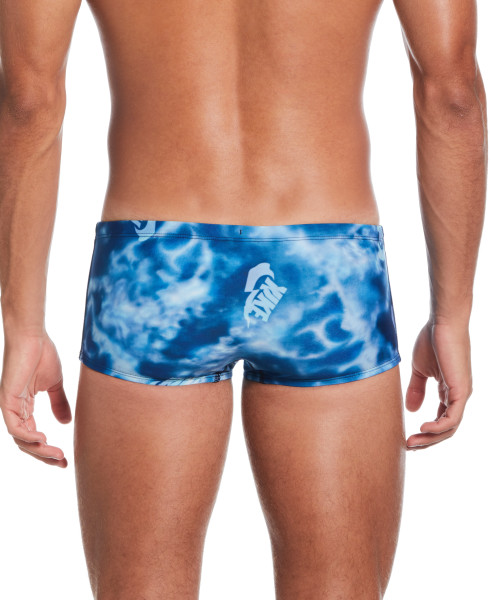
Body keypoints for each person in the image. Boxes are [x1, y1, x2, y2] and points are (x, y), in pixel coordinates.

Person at [0, 0, 486, 598]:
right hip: (326, 273)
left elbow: (28, 100)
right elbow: (452, 94)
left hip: (156, 270)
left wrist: (22, 326)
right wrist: (452, 317)